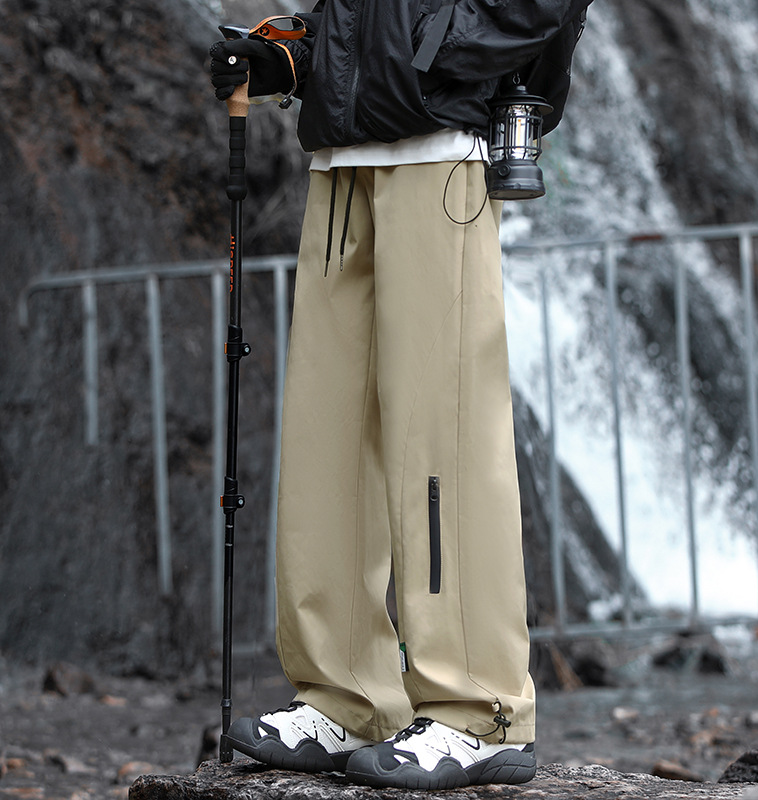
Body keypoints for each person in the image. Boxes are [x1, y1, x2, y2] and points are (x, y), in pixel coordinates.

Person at [208, 0, 590, 790]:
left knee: (443, 439)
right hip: (340, 162)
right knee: (326, 443)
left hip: (440, 159)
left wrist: (428, 58)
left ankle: (477, 709)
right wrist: (297, 59)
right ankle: (345, 696)